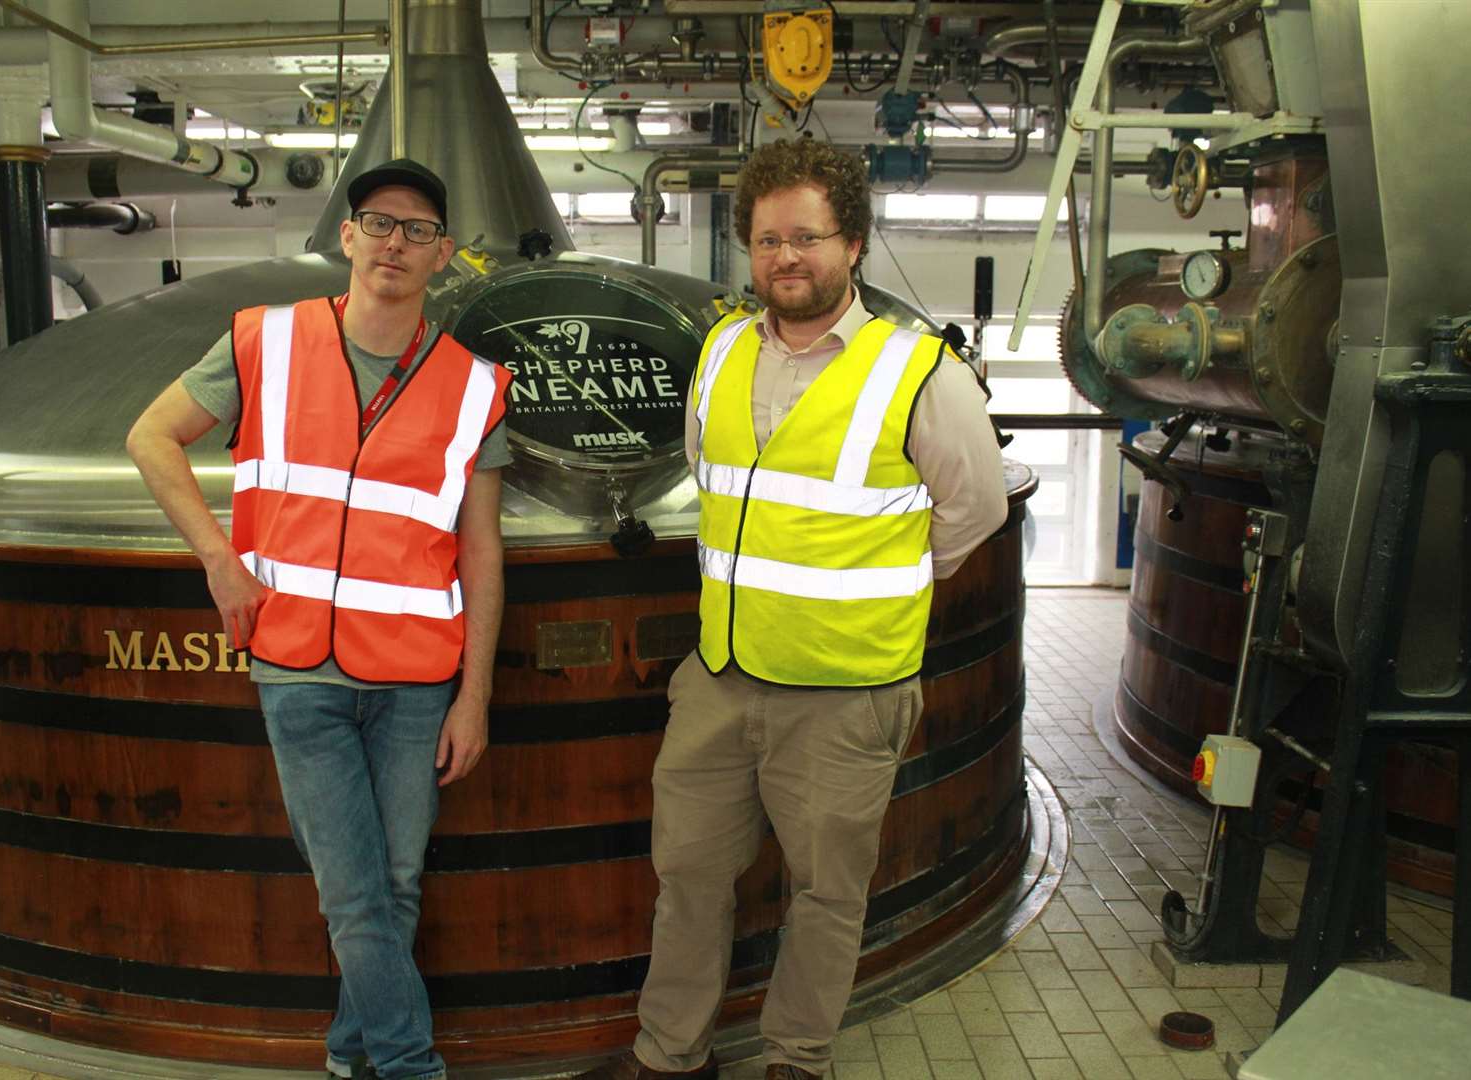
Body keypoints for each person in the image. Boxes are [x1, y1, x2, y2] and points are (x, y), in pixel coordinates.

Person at [577, 139, 1008, 1080]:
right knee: (687, 878)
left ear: (852, 242)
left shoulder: (920, 373)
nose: (786, 259)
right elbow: (711, 478)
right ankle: (671, 1055)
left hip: (847, 696)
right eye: (768, 240)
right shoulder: (723, 351)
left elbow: (974, 510)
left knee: (825, 895)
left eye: (807, 237)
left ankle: (796, 1060)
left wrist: (871, 587)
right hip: (721, 684)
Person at [126, 158, 511, 1080]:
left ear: (443, 256)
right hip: (299, 671)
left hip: (418, 680)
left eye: (418, 231)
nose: (395, 243)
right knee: (354, 899)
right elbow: (150, 437)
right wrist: (219, 559)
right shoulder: (266, 339)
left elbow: (482, 550)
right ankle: (414, 1068)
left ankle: (349, 1059)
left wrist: (476, 699)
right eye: (378, 222)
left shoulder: (474, 385)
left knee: (395, 890)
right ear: (346, 236)